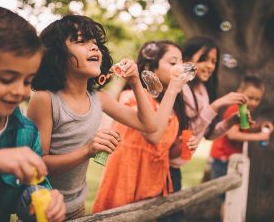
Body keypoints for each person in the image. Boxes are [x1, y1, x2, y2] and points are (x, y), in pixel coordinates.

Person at [27, 15, 157, 220]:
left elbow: (148, 125)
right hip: (44, 208)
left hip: (77, 207)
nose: (94, 47)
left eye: (95, 43)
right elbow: (37, 164)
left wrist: (134, 82)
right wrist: (87, 150)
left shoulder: (99, 98)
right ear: (57, 55)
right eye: (81, 41)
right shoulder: (45, 100)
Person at [0, 5, 65, 222]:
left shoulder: (27, 133)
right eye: (7, 79)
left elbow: (33, 187)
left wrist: (45, 200)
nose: (19, 91)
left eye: (28, 81)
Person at [92, 40, 198, 217]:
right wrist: (172, 89)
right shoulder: (131, 97)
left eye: (181, 62)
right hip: (128, 180)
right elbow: (153, 136)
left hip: (155, 184)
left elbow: (163, 150)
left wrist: (181, 147)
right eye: (173, 63)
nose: (180, 68)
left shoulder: (170, 106)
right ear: (151, 67)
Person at [164, 37, 247, 222]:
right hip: (162, 165)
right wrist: (216, 106)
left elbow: (207, 133)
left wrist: (230, 121)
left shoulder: (203, 91)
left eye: (214, 61)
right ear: (186, 58)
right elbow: (188, 130)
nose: (210, 65)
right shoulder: (179, 90)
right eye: (204, 59)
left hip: (175, 168)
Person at [210, 75, 273, 187]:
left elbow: (242, 129)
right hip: (223, 158)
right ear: (240, 92)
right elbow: (232, 135)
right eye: (250, 97)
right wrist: (260, 136)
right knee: (226, 194)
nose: (253, 102)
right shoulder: (235, 109)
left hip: (230, 158)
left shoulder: (244, 110)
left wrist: (259, 127)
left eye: (257, 99)